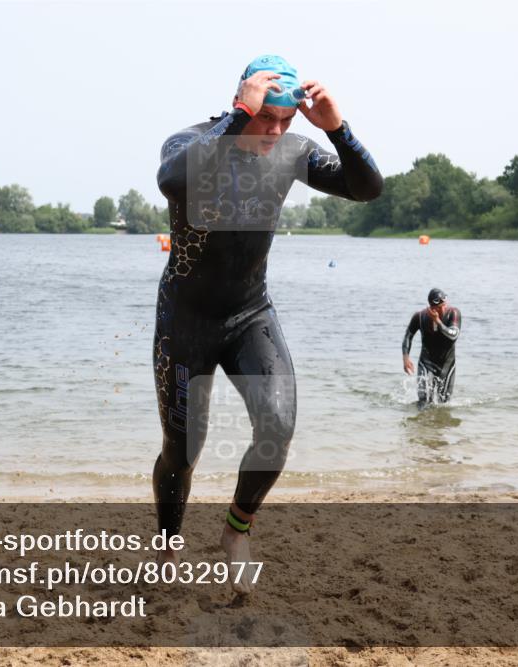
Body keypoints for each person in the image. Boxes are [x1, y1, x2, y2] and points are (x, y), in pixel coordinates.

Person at [152, 54, 383, 592]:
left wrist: (338, 129)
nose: (276, 132)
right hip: (185, 320)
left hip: (249, 312)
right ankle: (167, 544)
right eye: (266, 119)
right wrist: (237, 120)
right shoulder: (190, 141)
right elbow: (172, 182)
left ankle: (237, 529)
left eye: (287, 122)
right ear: (243, 103)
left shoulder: (294, 150)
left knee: (277, 427)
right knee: (183, 447)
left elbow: (366, 188)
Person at [401, 288, 461, 409]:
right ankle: (422, 426)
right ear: (431, 308)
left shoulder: (454, 313)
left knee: (444, 404)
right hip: (426, 363)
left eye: (444, 305)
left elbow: (453, 335)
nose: (442, 309)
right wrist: (405, 358)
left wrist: (438, 321)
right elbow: (408, 335)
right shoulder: (420, 316)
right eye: (438, 308)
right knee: (423, 401)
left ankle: (439, 427)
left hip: (447, 365)